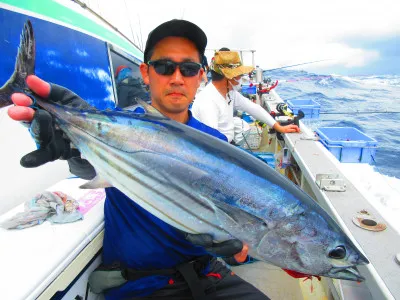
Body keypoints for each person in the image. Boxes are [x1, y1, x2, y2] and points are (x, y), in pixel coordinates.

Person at [8, 20, 269, 300]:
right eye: (165, 67)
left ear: (200, 76)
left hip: (208, 276)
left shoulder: (216, 142)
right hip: (142, 286)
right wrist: (74, 149)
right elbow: (87, 167)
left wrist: (236, 251)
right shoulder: (118, 125)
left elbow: (231, 225)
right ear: (146, 72)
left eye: (189, 69)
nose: (177, 78)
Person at [191, 48, 300, 143]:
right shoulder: (208, 102)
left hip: (225, 143)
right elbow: (211, 142)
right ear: (228, 77)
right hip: (217, 150)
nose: (241, 79)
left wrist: (278, 127)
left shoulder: (230, 93)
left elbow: (253, 108)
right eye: (239, 75)